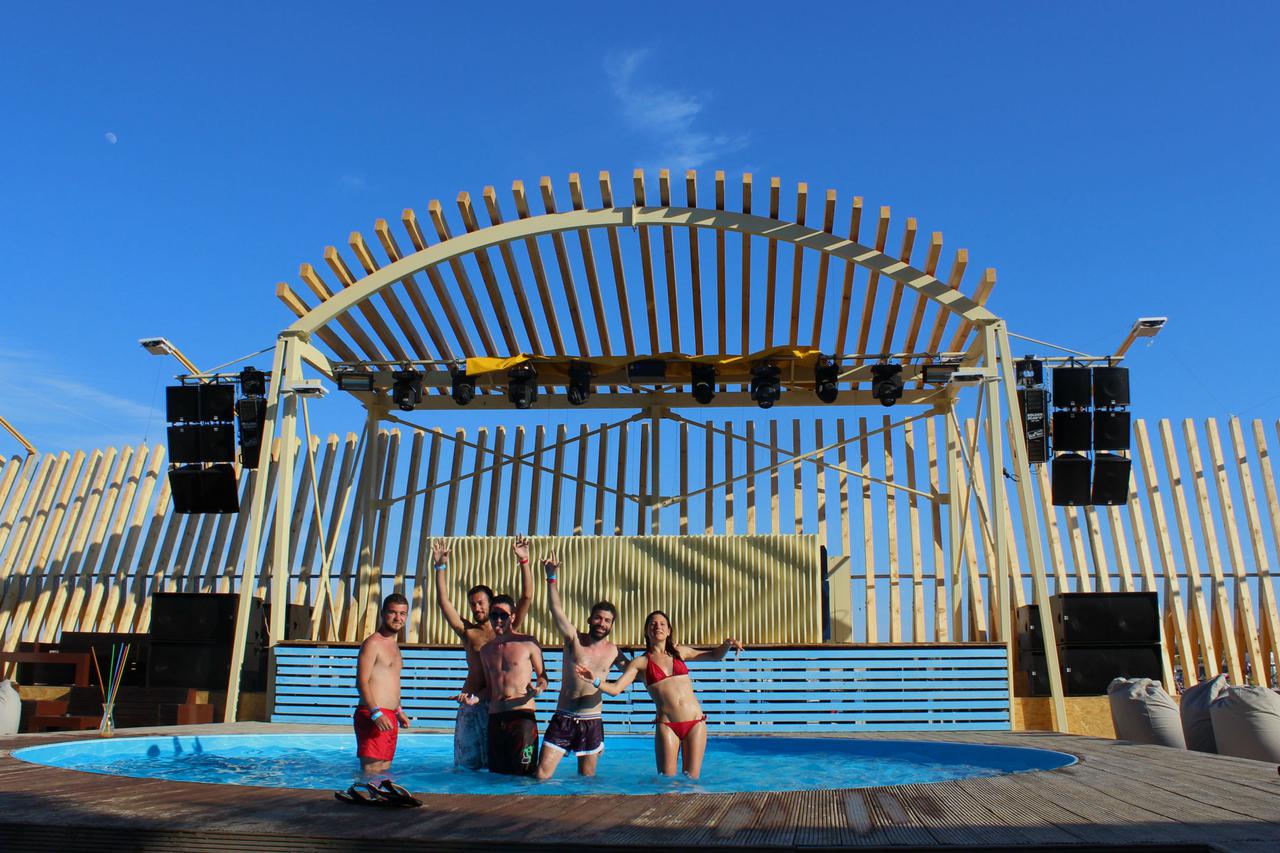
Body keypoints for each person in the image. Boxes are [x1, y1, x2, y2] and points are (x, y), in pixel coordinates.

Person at [582, 610, 742, 780]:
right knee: (667, 783)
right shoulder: (641, 663)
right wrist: (595, 681)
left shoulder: (680, 652)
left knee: (692, 781)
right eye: (652, 624)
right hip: (668, 726)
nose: (657, 626)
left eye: (662, 624)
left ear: (669, 630)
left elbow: (714, 656)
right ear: (646, 631)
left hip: (696, 722)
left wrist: (728, 644)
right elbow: (615, 689)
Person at [433, 536, 533, 770]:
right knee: (466, 766)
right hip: (471, 702)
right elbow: (444, 603)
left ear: (491, 603)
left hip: (498, 704)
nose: (476, 608)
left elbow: (527, 597)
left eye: (480, 603)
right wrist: (440, 568)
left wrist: (524, 561)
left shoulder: (506, 629)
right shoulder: (468, 632)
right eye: (472, 604)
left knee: (496, 764)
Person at [534, 553, 626, 780]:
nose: (602, 623)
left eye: (607, 620)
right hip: (563, 716)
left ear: (612, 625)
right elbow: (556, 610)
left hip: (591, 720)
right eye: (598, 618)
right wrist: (551, 577)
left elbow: (637, 671)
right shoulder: (573, 639)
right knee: (541, 775)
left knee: (587, 780)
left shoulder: (614, 652)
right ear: (589, 619)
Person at [478, 593, 548, 776]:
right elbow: (489, 689)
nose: (498, 620)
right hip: (495, 719)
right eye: (494, 615)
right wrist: (473, 698)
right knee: (496, 776)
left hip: (522, 717)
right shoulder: (485, 650)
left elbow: (543, 677)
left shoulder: (528, 643)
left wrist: (538, 689)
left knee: (524, 775)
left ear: (513, 616)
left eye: (503, 615)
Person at [354, 593, 412, 776]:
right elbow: (361, 681)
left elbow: (391, 681)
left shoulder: (394, 646)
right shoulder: (372, 643)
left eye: (402, 614)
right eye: (392, 612)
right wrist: (375, 713)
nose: (398, 618)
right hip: (374, 714)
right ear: (382, 613)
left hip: (390, 716)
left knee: (384, 771)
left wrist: (399, 711)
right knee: (371, 771)